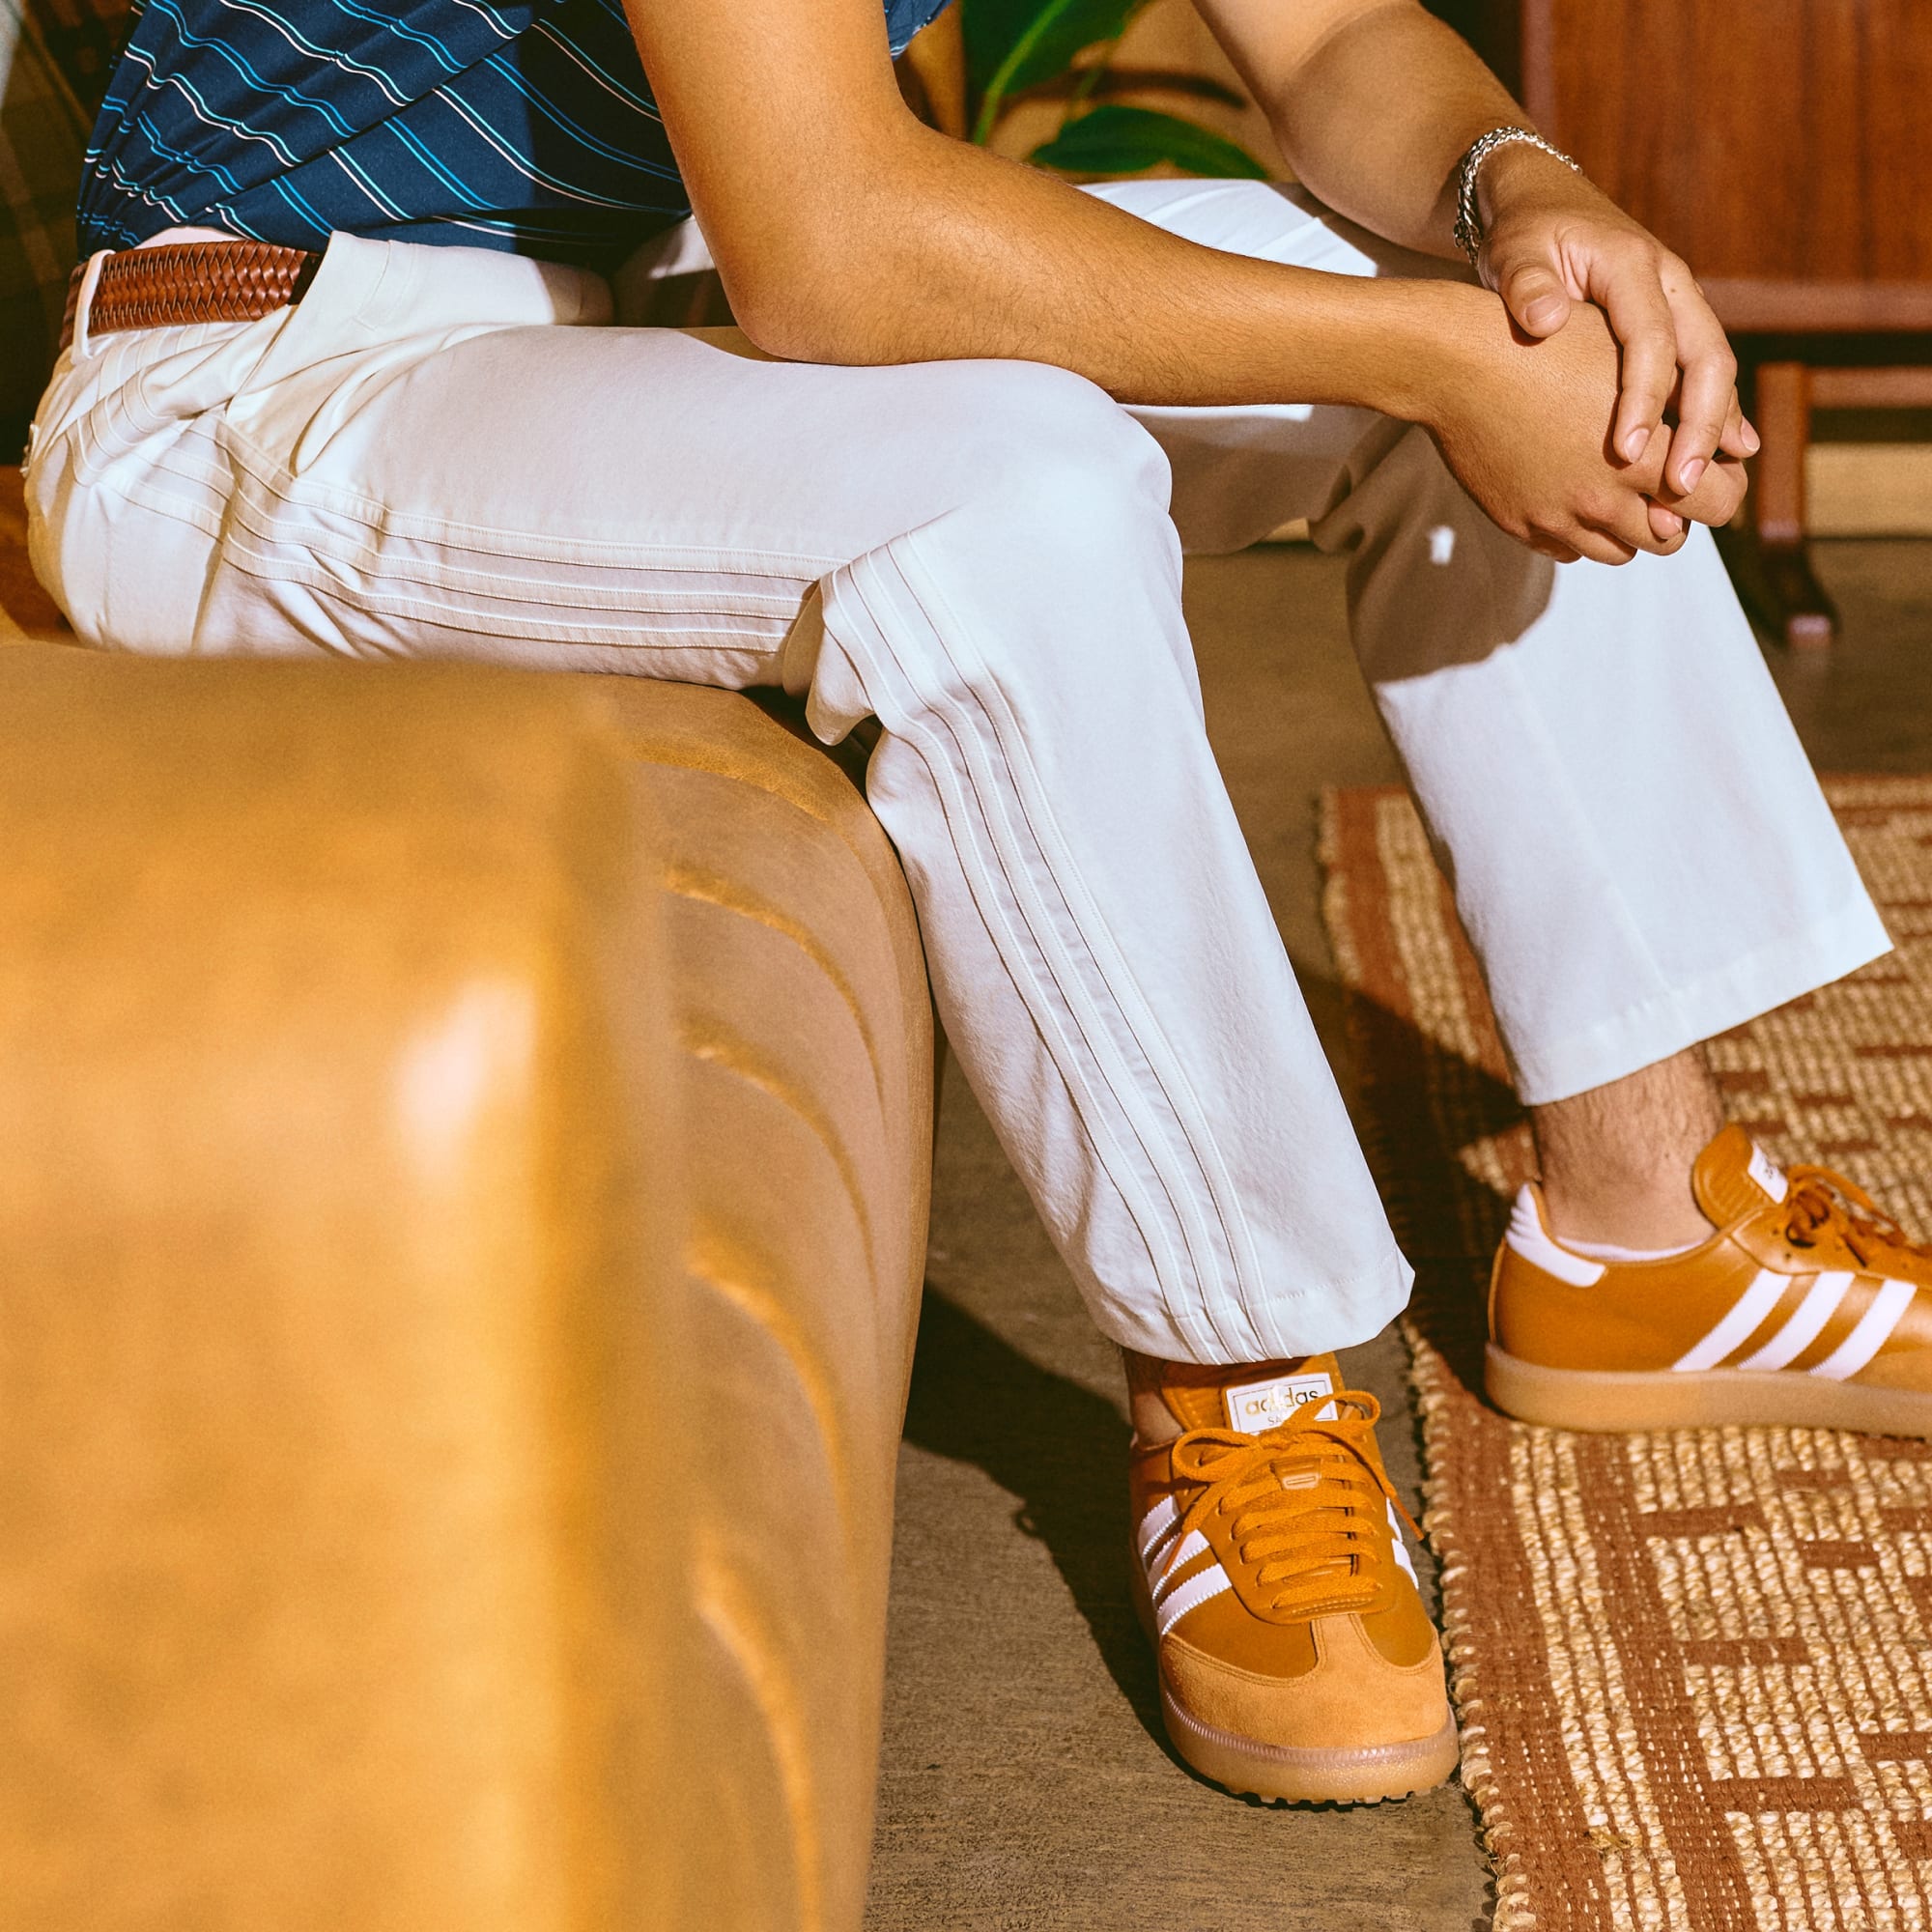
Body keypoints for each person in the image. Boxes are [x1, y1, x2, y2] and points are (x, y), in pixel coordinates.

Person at [26, 0, 1929, 1807]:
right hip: (278, 371)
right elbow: (836, 245)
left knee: (1524, 316)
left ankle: (1636, 1218)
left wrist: (1522, 198)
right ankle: (1243, 1395)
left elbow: (1339, 40)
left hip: (657, 308)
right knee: (1016, 491)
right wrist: (1432, 362)